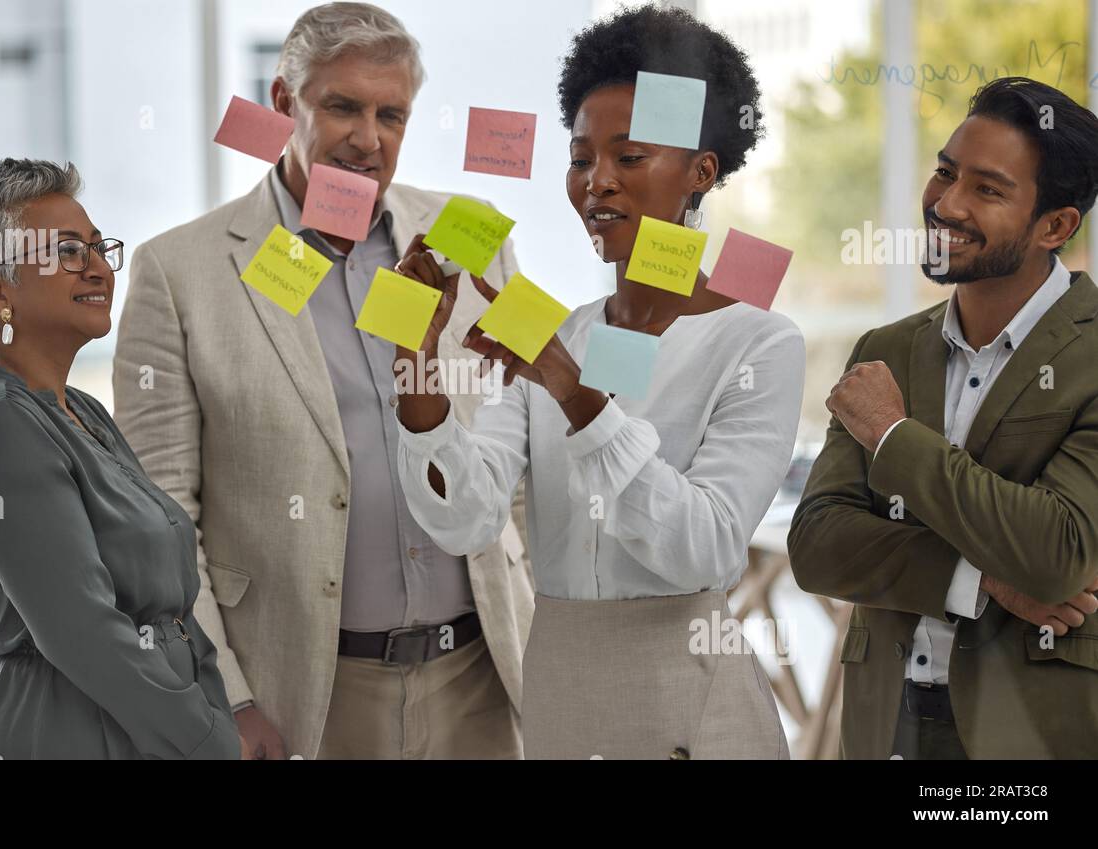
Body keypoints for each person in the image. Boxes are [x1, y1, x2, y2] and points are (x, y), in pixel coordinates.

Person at [113, 1, 532, 760]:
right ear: (283, 103)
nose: (368, 140)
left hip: (485, 677)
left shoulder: (474, 238)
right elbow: (161, 520)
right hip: (307, 694)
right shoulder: (179, 272)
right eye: (342, 107)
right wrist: (229, 697)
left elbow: (526, 447)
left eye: (392, 114)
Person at [394, 4, 803, 759]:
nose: (596, 182)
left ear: (700, 172)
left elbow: (705, 548)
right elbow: (467, 519)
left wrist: (572, 389)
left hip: (691, 700)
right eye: (582, 158)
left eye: (631, 156)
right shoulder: (558, 332)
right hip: (560, 695)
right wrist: (417, 364)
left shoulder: (758, 340)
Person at [789, 77, 1098, 759]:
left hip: (1032, 737)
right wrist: (981, 577)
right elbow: (817, 545)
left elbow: (1055, 553)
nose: (946, 204)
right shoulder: (886, 351)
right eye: (945, 172)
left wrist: (894, 437)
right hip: (883, 725)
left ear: (1056, 225)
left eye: (987, 190)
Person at [0, 158, 239, 759]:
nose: (98, 268)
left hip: (140, 729)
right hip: (56, 732)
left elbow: (171, 607)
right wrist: (207, 741)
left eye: (101, 249)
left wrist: (214, 712)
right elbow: (86, 635)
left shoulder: (79, 411)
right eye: (69, 251)